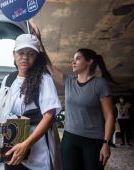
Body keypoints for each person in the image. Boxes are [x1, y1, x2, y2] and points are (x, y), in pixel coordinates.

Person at [31, 25, 115, 170]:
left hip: (93, 141)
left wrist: (106, 143)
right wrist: (39, 40)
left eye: (78, 58)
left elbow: (109, 116)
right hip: (70, 139)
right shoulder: (69, 81)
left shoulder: (100, 84)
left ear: (89, 62)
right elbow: (48, 65)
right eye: (73, 59)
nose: (73, 61)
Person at [3, 34, 62, 170]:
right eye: (21, 53)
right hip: (11, 147)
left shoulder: (44, 79)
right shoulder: (8, 79)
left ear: (36, 57)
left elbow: (49, 116)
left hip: (37, 150)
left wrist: (27, 144)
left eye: (31, 54)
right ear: (14, 55)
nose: (25, 57)